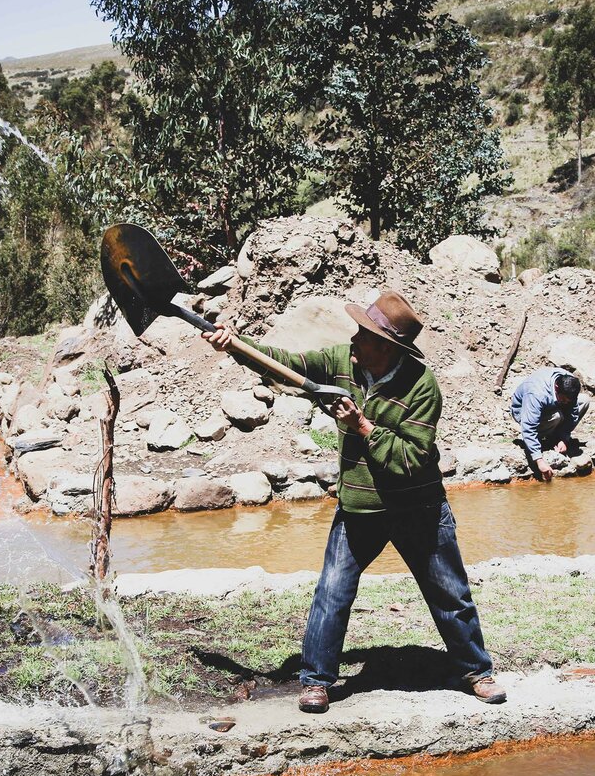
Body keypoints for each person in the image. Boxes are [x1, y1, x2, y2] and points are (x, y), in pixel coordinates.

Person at [203, 290, 505, 714]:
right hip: (359, 508)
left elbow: (411, 459)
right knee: (332, 591)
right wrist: (234, 345)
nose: (354, 338)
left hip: (418, 508)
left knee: (450, 594)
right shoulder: (342, 362)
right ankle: (317, 681)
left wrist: (361, 425)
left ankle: (477, 671)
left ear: (387, 346)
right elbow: (284, 366)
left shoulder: (422, 386)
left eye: (363, 333)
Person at [510, 368, 589, 480]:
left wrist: (564, 438)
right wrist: (539, 460)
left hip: (551, 408)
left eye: (569, 401)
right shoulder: (537, 393)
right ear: (556, 388)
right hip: (525, 412)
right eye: (564, 399)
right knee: (557, 416)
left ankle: (556, 437)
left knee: (584, 401)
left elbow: (573, 412)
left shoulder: (569, 383)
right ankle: (547, 438)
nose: (567, 403)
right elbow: (529, 427)